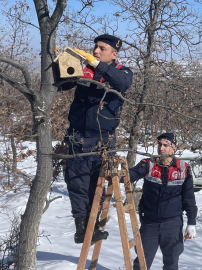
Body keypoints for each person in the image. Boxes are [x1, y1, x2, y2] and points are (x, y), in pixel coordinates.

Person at [58, 34, 133, 243]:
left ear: (114, 54)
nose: (96, 51)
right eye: (95, 48)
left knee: (98, 187)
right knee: (78, 184)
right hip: (79, 138)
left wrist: (97, 65)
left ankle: (94, 225)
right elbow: (61, 84)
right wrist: (61, 63)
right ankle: (81, 228)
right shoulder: (86, 71)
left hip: (104, 142)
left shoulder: (122, 72)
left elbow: (123, 83)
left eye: (102, 48)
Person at [127, 133, 198, 270]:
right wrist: (114, 173)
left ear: (174, 149)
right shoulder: (149, 164)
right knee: (142, 262)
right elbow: (129, 175)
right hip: (149, 223)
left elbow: (189, 198)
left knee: (171, 262)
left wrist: (191, 222)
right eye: (159, 144)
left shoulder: (183, 168)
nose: (162, 148)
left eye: (166, 145)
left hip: (172, 224)